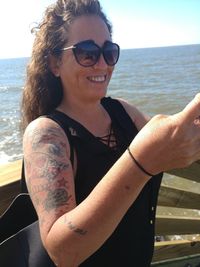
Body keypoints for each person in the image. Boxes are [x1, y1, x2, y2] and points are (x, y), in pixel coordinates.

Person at [21, 0, 200, 266]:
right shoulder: (46, 133)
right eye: (87, 52)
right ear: (55, 63)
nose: (102, 64)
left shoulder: (122, 111)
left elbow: (178, 136)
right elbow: (63, 252)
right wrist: (142, 162)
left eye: (109, 51)